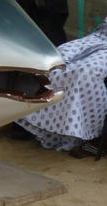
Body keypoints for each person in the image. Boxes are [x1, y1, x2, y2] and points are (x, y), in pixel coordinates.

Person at [16, 17, 107, 152]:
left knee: (85, 73)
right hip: (98, 38)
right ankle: (41, 123)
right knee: (57, 59)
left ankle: (81, 134)